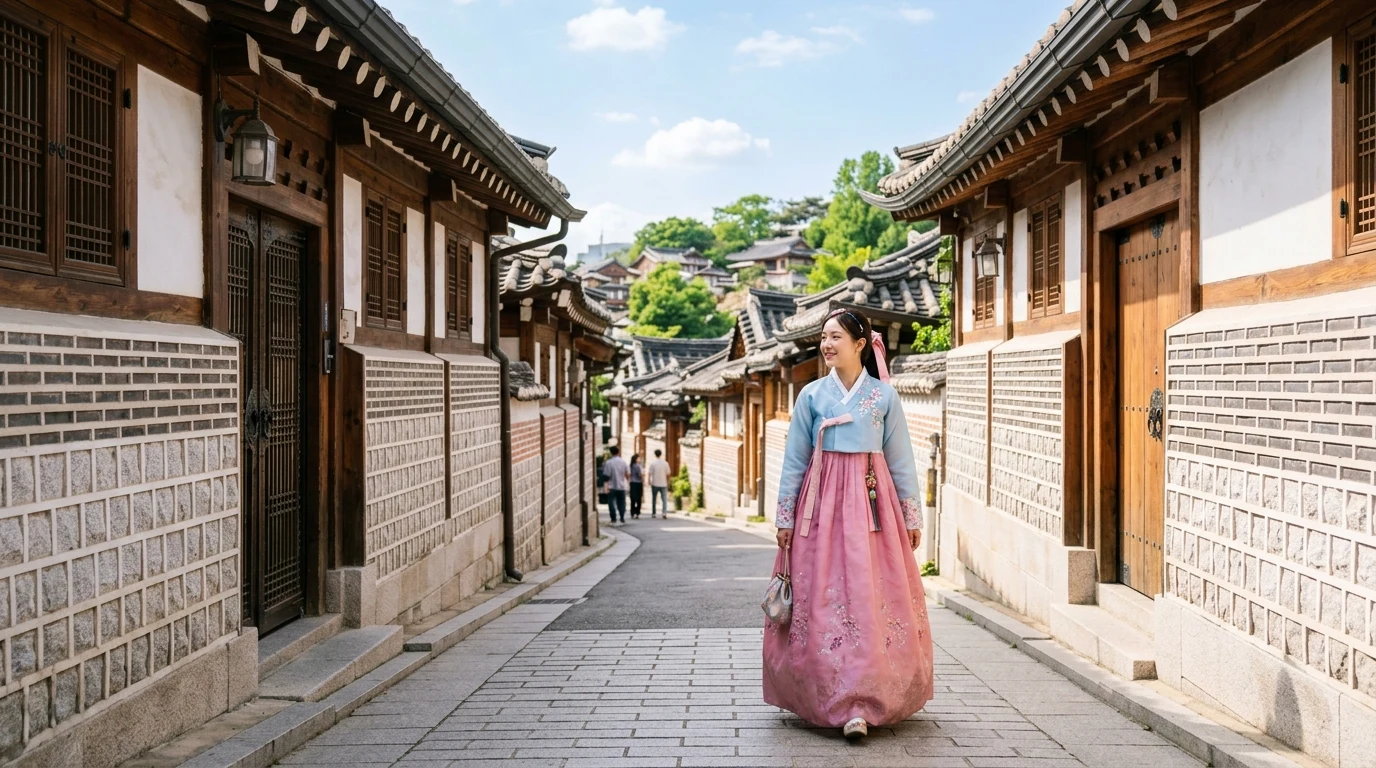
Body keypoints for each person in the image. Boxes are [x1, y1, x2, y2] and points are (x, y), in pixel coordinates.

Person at [763, 307, 933, 741]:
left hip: (873, 506)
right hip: (818, 508)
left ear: (861, 344)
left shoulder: (883, 398)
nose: (827, 344)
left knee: (868, 593)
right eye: (823, 336)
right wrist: (785, 516)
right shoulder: (812, 397)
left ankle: (865, 699)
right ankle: (825, 694)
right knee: (822, 595)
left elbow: (900, 460)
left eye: (836, 336)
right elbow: (795, 460)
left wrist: (911, 517)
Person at [603, 446, 629, 524]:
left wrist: (606, 486)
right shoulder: (623, 462)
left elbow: (606, 476)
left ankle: (613, 518)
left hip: (612, 486)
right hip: (621, 485)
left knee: (611, 502)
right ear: (618, 452)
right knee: (622, 502)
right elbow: (627, 473)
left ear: (611, 453)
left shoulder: (608, 463)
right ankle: (622, 517)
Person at [647, 449, 671, 518]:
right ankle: (664, 512)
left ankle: (654, 513)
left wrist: (649, 480)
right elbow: (668, 473)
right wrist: (668, 481)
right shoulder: (665, 463)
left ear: (655, 455)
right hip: (663, 483)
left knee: (654, 499)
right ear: (661, 454)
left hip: (655, 483)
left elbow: (650, 473)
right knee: (664, 499)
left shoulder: (653, 463)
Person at [629, 454, 644, 519]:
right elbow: (640, 474)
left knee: (632, 498)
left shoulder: (630, 466)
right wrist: (643, 477)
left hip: (632, 483)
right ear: (636, 459)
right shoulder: (638, 466)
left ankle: (632, 512)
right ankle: (637, 512)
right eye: (638, 458)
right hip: (638, 483)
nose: (639, 459)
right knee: (638, 498)